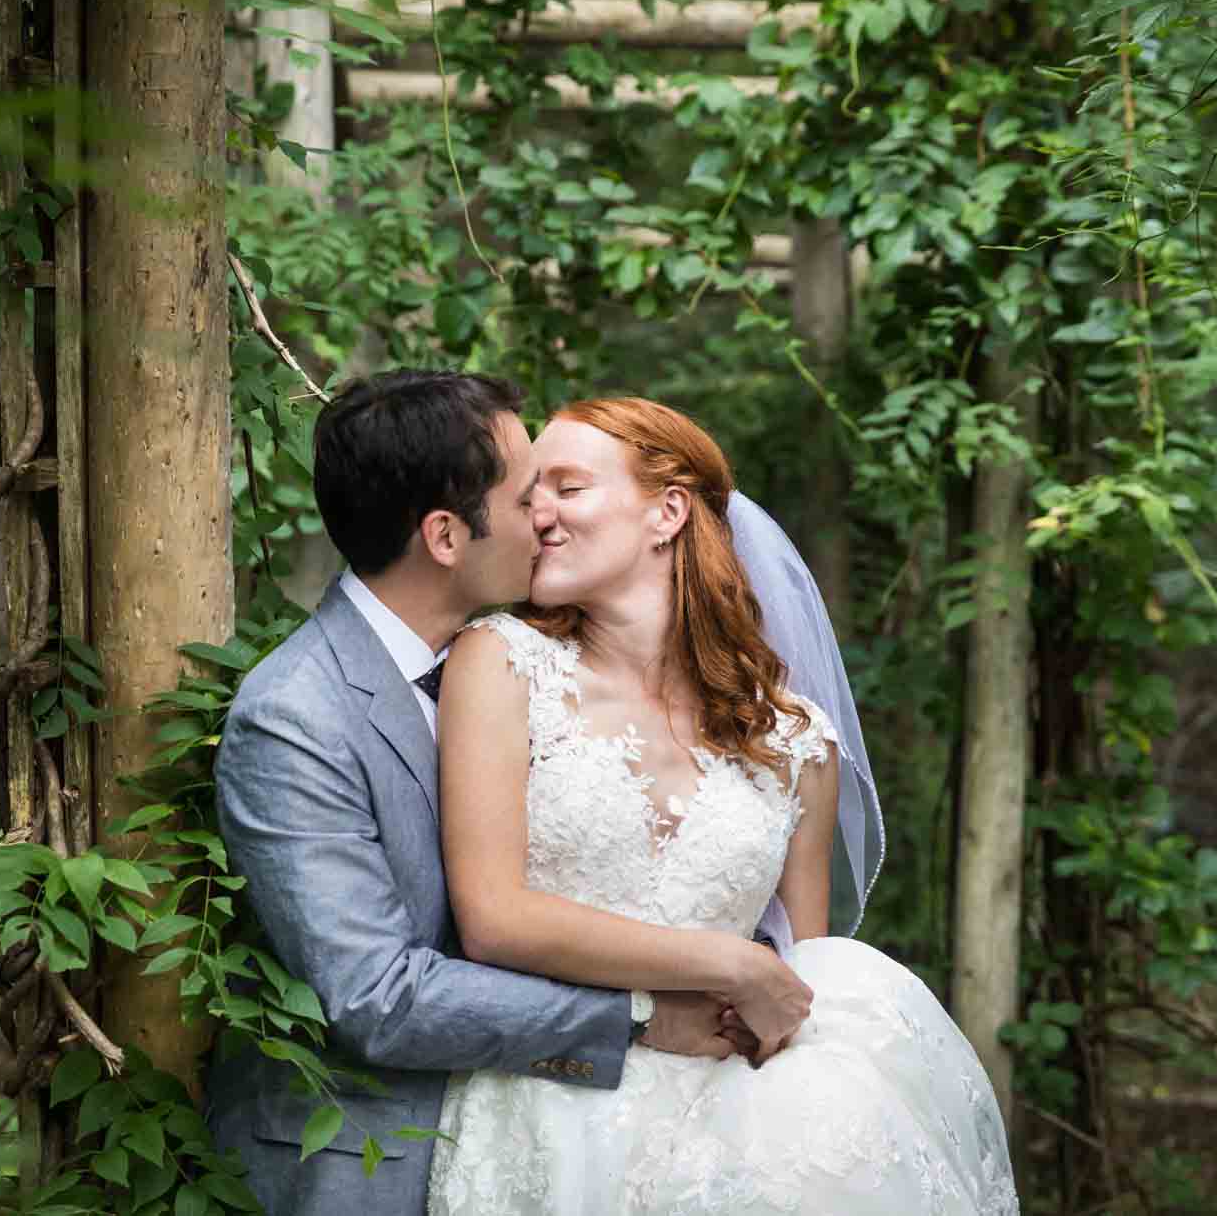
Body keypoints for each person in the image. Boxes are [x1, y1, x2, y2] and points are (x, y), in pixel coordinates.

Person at [205, 371, 809, 1216]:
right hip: (374, 1161)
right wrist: (638, 1019)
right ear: (447, 536)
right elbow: (379, 997)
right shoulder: (296, 714)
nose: (547, 519)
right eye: (528, 495)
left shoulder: (515, 664)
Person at [426, 397, 1018, 1216]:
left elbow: (800, 976)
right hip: (550, 1108)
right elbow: (493, 918)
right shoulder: (499, 662)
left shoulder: (797, 741)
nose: (540, 515)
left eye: (567, 486)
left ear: (666, 511)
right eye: (530, 495)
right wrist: (729, 962)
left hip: (735, 1130)